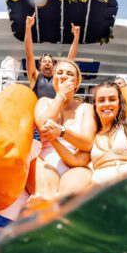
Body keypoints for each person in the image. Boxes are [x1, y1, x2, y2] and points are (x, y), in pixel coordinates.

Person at [31, 59, 96, 198]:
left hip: (76, 165)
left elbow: (87, 143)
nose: (64, 76)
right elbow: (43, 125)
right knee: (44, 196)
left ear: (78, 83)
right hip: (45, 162)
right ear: (54, 78)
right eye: (59, 72)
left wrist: (61, 132)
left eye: (70, 74)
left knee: (66, 200)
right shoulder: (44, 101)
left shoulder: (86, 108)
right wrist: (61, 95)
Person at [24, 14, 81, 99]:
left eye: (49, 62)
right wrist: (28, 27)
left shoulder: (58, 78)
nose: (47, 63)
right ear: (40, 66)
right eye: (44, 61)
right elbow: (29, 55)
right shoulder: (34, 76)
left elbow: (70, 60)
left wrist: (76, 37)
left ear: (54, 66)